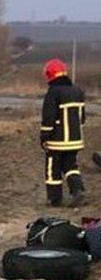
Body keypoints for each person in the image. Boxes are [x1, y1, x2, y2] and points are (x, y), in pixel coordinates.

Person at [40, 58, 86, 207]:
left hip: (57, 141)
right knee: (71, 166)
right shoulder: (78, 91)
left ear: (50, 75)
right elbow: (82, 117)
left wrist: (44, 137)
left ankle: (55, 199)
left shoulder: (53, 93)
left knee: (52, 168)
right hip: (75, 139)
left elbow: (48, 118)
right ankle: (77, 190)